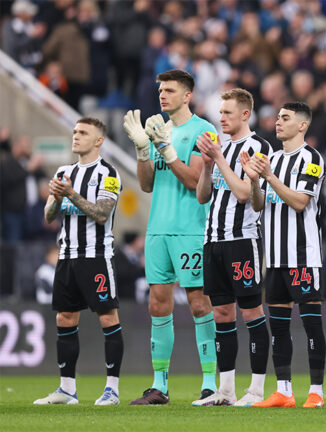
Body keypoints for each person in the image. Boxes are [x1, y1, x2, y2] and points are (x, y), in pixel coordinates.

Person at [122, 69, 218, 405]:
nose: (163, 95)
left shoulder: (203, 130)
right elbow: (147, 184)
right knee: (157, 303)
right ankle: (159, 385)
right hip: (158, 228)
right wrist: (143, 151)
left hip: (190, 228)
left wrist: (166, 148)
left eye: (171, 90)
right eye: (161, 90)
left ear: (187, 95)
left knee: (198, 302)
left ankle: (210, 383)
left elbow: (195, 180)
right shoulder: (156, 129)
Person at [243, 102, 326, 408]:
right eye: (278, 117)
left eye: (285, 117)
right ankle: (284, 391)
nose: (278, 122)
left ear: (302, 125)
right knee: (277, 325)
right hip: (275, 256)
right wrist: (254, 180)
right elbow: (257, 204)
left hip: (303, 255)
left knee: (311, 323)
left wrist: (269, 176)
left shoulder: (312, 159)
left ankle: (316, 391)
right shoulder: (273, 158)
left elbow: (300, 202)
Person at [34, 117, 123, 405]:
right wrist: (57, 198)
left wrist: (70, 193)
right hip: (67, 256)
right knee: (64, 318)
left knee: (108, 317)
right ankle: (67, 389)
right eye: (74, 131)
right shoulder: (62, 172)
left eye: (83, 132)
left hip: (96, 256)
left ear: (98, 140)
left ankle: (112, 389)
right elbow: (49, 217)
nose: (76, 136)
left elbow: (101, 214)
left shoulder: (108, 173)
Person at [194, 88, 273, 406]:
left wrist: (220, 159)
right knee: (221, 312)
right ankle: (225, 390)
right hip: (213, 240)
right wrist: (206, 166)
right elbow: (202, 196)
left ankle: (255, 390)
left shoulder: (259, 147)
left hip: (242, 240)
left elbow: (245, 194)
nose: (221, 118)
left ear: (244, 114)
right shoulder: (220, 148)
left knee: (251, 310)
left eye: (227, 112)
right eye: (219, 112)